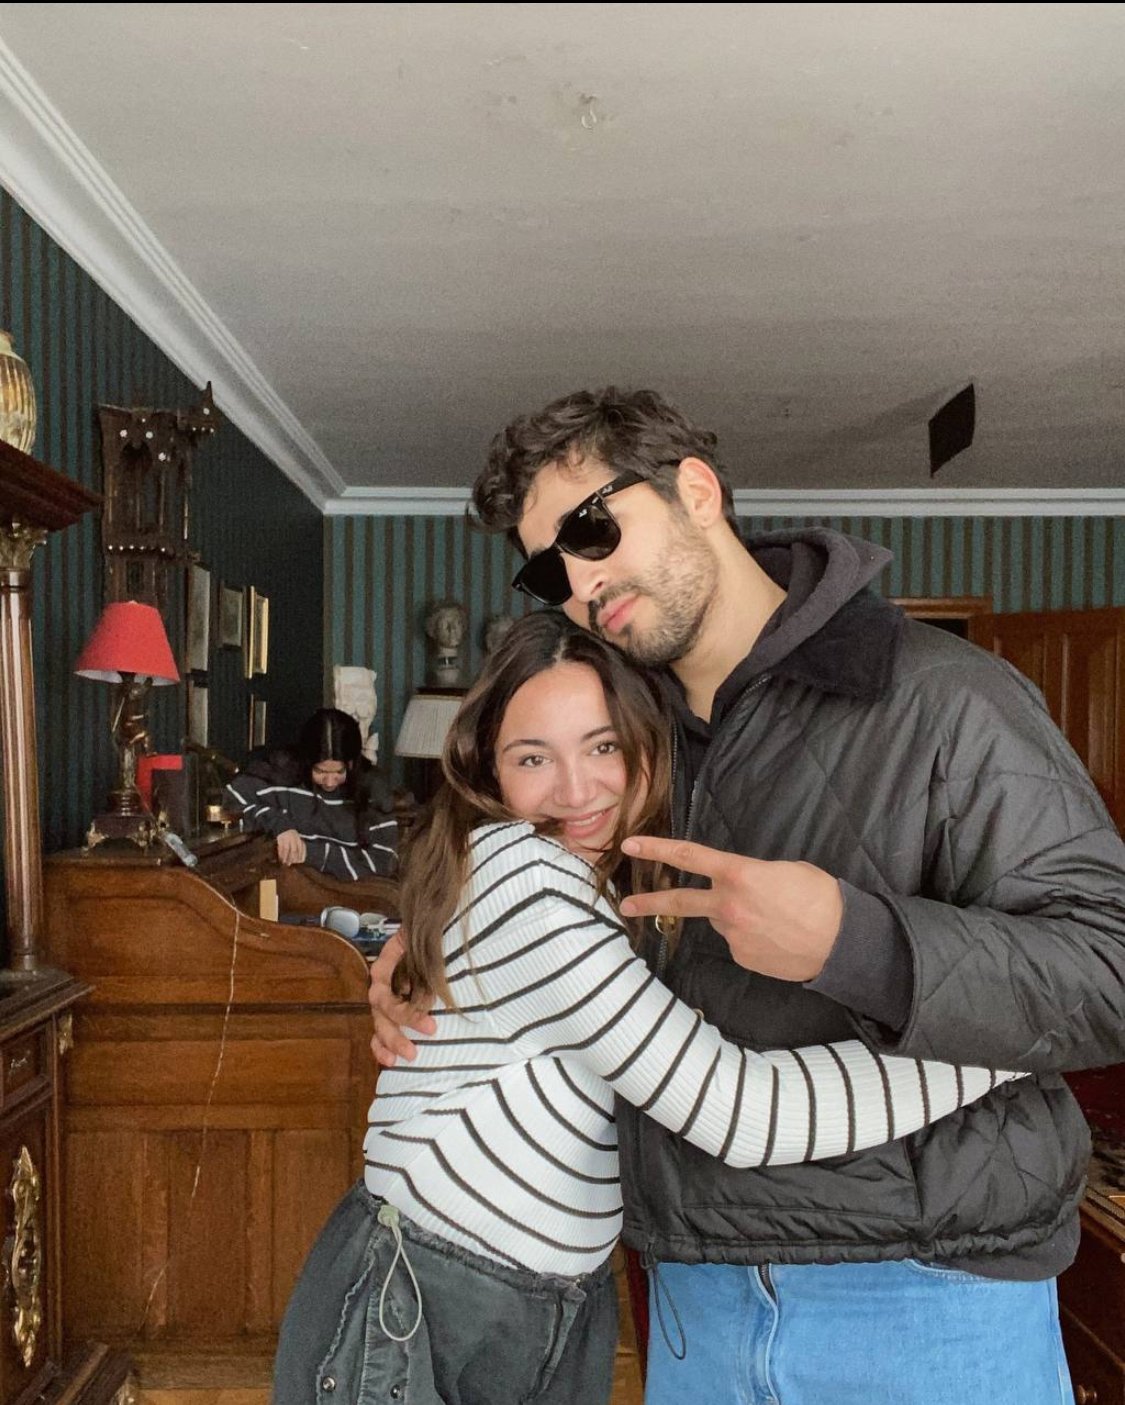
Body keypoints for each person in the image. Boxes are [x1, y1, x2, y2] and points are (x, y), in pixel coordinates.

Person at [371, 387, 1125, 1405]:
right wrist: (428, 962)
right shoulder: (617, 747)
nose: (581, 582)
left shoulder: (948, 698)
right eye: (550, 567)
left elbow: (1107, 967)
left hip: (926, 1295)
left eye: (592, 529)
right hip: (694, 1304)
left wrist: (861, 942)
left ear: (695, 490)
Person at [275, 612, 1020, 1405]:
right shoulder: (528, 883)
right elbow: (741, 1112)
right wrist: (1006, 1039)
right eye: (533, 757)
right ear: (487, 772)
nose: (575, 790)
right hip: (426, 1296)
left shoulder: (598, 880)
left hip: (540, 1296)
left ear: (644, 744)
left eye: (602, 746)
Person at [225, 706, 397, 879]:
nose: (330, 782)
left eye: (339, 772)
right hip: (288, 887)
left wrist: (308, 853)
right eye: (320, 771)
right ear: (307, 760)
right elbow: (231, 805)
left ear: (352, 763)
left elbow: (384, 862)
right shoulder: (281, 772)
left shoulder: (372, 789)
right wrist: (278, 823)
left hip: (353, 891)